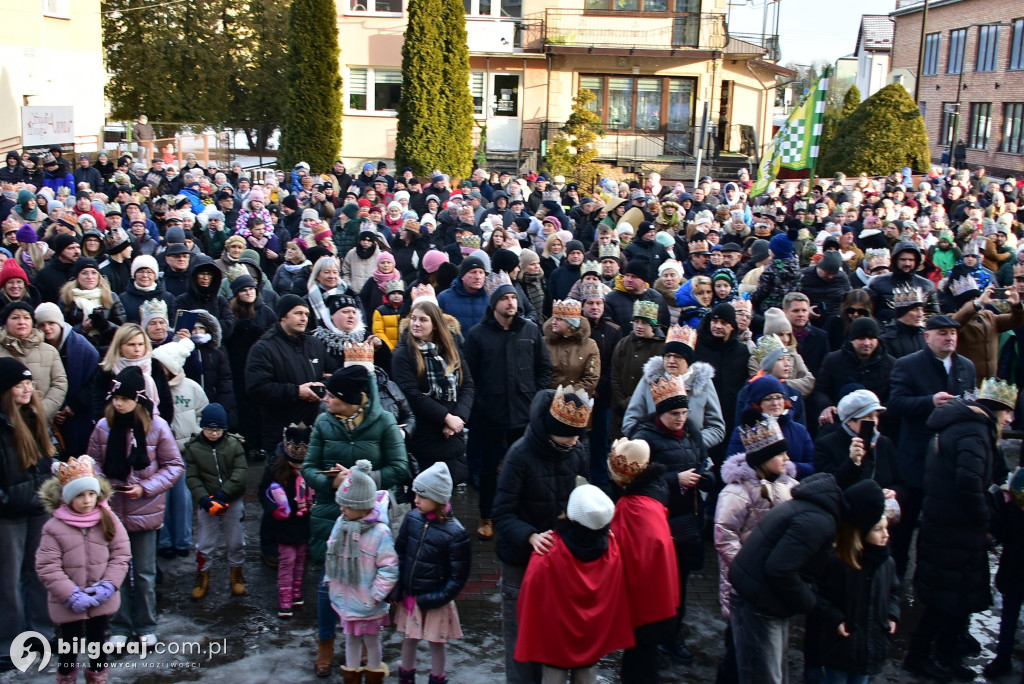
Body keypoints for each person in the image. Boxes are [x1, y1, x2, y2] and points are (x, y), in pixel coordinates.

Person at [905, 378, 1015, 681]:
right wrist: (985, 518)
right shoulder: (975, 432)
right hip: (956, 528)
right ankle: (922, 657)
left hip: (945, 524)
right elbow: (969, 484)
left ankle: (943, 653)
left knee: (950, 597)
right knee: (945, 600)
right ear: (997, 410)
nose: (1011, 419)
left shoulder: (965, 426)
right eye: (1008, 412)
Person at [302, 365, 408, 678]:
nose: (326, 401)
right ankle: (326, 642)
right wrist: (331, 483)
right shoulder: (323, 423)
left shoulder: (384, 422)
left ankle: (362, 640)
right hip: (329, 514)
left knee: (366, 580)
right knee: (327, 581)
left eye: (332, 396)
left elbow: (400, 468)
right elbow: (308, 468)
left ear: (354, 400)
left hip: (370, 517)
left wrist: (360, 480)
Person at [492, 386, 591, 684]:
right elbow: (502, 514)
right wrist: (530, 536)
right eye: (569, 435)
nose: (575, 441)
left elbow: (585, 495)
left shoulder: (577, 450)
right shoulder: (519, 455)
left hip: (559, 563)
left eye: (579, 434)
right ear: (551, 429)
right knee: (521, 642)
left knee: (552, 638)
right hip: (521, 563)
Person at [728, 470, 853, 684]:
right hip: (760, 604)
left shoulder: (811, 508)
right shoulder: (817, 521)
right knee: (764, 676)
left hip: (761, 598)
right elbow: (780, 570)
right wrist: (812, 604)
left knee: (770, 673)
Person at [88, 366, 182, 646]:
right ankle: (119, 625)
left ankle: (145, 625)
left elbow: (174, 465)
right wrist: (103, 485)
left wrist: (146, 487)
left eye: (124, 399)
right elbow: (92, 461)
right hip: (112, 511)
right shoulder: (104, 426)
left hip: (145, 510)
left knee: (143, 573)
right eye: (115, 398)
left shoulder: (157, 427)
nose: (117, 403)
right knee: (114, 572)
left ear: (138, 399)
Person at [514, 484, 633, 684]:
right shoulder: (611, 548)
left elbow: (529, 595)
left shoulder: (549, 549)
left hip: (555, 640)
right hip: (591, 638)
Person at [631, 374, 713, 665]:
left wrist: (706, 478)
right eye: (674, 413)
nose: (681, 418)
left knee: (682, 584)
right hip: (660, 526)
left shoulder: (691, 431)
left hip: (689, 520)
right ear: (660, 413)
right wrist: (674, 479)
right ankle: (659, 638)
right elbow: (635, 483)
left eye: (684, 412)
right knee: (661, 587)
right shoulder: (643, 439)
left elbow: (704, 461)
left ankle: (672, 634)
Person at [464, 271, 551, 541]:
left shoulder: (531, 329)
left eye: (514, 297)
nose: (511, 302)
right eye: (506, 298)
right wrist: (480, 404)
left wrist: (536, 400)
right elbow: (469, 376)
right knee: (489, 470)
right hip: (490, 416)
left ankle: (521, 516)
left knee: (525, 468)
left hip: (525, 415)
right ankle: (487, 516)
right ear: (494, 303)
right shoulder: (477, 335)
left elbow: (544, 369)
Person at [886, 315, 975, 580]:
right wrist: (929, 401)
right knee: (905, 526)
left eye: (953, 333)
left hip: (949, 461)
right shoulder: (908, 365)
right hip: (916, 460)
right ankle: (896, 582)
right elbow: (896, 404)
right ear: (927, 337)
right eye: (943, 333)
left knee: (938, 527)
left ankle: (928, 579)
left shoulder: (965, 366)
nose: (949, 338)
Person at [714, 410, 798, 684]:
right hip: (743, 586)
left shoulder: (790, 488)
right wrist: (749, 572)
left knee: (765, 650)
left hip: (773, 584)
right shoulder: (736, 493)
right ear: (763, 459)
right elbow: (725, 536)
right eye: (780, 454)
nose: (787, 458)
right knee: (737, 651)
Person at [35, 455, 131, 684]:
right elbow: (47, 566)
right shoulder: (54, 527)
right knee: (69, 646)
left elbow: (121, 555)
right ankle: (66, 679)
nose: (87, 500)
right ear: (68, 498)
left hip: (100, 597)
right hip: (68, 601)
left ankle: (98, 678)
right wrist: (70, 594)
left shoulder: (108, 519)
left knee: (98, 643)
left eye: (91, 493)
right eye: (79, 495)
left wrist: (109, 585)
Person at [606, 438, 679, 684]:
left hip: (643, 605)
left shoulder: (631, 507)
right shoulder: (652, 496)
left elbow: (619, 553)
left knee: (638, 666)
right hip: (659, 599)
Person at [0, 358, 57, 670]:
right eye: (19, 384)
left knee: (38, 574)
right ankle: (9, 643)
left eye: (28, 382)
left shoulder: (35, 416)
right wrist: (6, 499)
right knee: (7, 581)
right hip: (8, 514)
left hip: (38, 509)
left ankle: (41, 635)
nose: (27, 388)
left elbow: (48, 458)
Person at [393, 462, 471, 684]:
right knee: (409, 637)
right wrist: (398, 588)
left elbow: (458, 576)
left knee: (437, 642)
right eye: (416, 495)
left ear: (438, 500)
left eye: (422, 497)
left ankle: (437, 677)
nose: (415, 500)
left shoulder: (456, 533)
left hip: (436, 600)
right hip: (411, 596)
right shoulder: (412, 520)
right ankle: (406, 676)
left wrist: (438, 598)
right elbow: (400, 553)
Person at [324, 459, 399, 684]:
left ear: (362, 506)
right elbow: (331, 551)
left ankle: (374, 674)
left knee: (372, 640)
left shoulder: (380, 533)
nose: (341, 509)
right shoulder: (341, 522)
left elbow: (389, 568)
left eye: (346, 505)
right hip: (345, 598)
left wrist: (376, 595)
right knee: (351, 640)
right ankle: (352, 676)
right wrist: (331, 580)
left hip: (368, 603)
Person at [816, 482, 899, 684]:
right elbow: (819, 596)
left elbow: (894, 591)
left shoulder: (886, 563)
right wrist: (835, 618)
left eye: (886, 528)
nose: (886, 535)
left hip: (869, 644)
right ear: (861, 532)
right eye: (878, 529)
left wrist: (891, 613)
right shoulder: (838, 563)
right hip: (842, 645)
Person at [391, 298, 474, 484]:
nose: (416, 324)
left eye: (423, 320)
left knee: (446, 496)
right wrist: (445, 417)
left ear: (435, 324)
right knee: (425, 496)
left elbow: (467, 384)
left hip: (452, 434)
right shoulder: (403, 353)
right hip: (423, 433)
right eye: (414, 318)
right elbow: (411, 394)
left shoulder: (450, 349)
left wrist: (458, 418)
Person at [246, 295, 338, 454]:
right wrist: (296, 392)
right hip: (280, 434)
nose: (304, 318)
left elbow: (333, 373)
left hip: (315, 429)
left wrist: (323, 385)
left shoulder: (314, 344)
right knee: (278, 478)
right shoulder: (263, 348)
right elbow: (257, 388)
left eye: (307, 314)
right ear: (283, 316)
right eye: (298, 313)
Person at [183, 403, 248, 600]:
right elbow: (192, 477)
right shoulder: (193, 448)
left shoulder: (234, 445)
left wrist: (224, 494)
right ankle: (203, 574)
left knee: (236, 540)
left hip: (231, 499)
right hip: (207, 502)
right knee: (205, 542)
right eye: (209, 428)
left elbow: (240, 472)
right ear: (202, 428)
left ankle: (236, 573)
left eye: (217, 429)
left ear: (224, 429)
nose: (213, 433)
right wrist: (204, 499)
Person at [258, 422, 314, 619]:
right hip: (283, 526)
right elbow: (264, 493)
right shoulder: (276, 470)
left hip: (303, 526)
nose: (298, 467)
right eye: (294, 463)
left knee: (300, 561)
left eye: (301, 464)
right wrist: (274, 508)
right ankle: (285, 597)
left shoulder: (311, 472)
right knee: (287, 562)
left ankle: (297, 592)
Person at [982, 468, 1024, 678]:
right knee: (1010, 610)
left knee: (1010, 610)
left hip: (1014, 566)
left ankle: (1003, 658)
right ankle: (1003, 657)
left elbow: (999, 530)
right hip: (1014, 567)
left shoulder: (1014, 504)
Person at [0, 302, 68, 421]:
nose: (22, 322)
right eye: (15, 317)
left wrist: (40, 412)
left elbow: (60, 383)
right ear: (5, 323)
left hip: (40, 423)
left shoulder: (49, 351)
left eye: (26, 317)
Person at [878, 284, 926, 359]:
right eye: (915, 309)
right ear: (903, 312)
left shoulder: (926, 336)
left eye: (922, 310)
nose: (920, 314)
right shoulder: (887, 338)